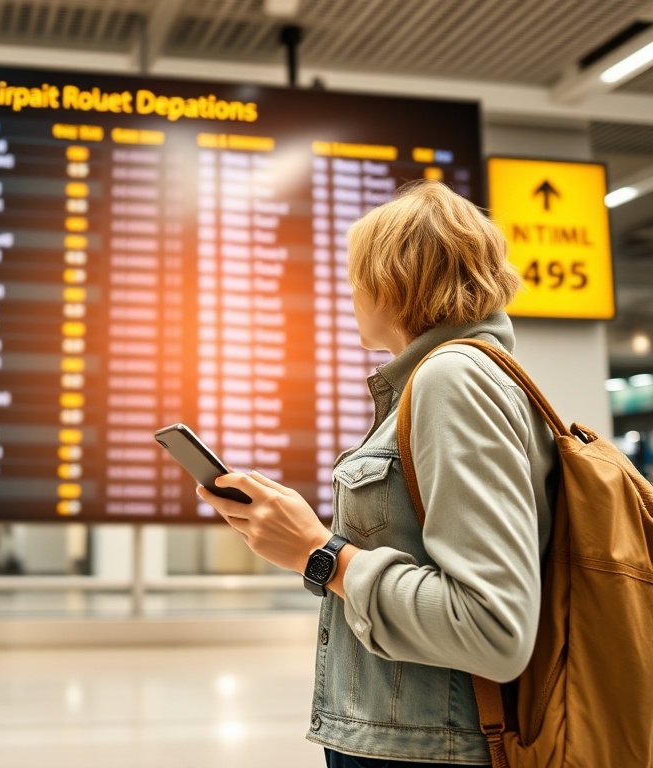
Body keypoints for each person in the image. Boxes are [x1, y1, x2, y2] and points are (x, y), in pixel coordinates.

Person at [197, 179, 559, 767]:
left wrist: (319, 553)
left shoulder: (452, 380)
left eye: (355, 277)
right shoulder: (462, 377)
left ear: (391, 282)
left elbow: (493, 629)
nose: (351, 293)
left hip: (429, 752)